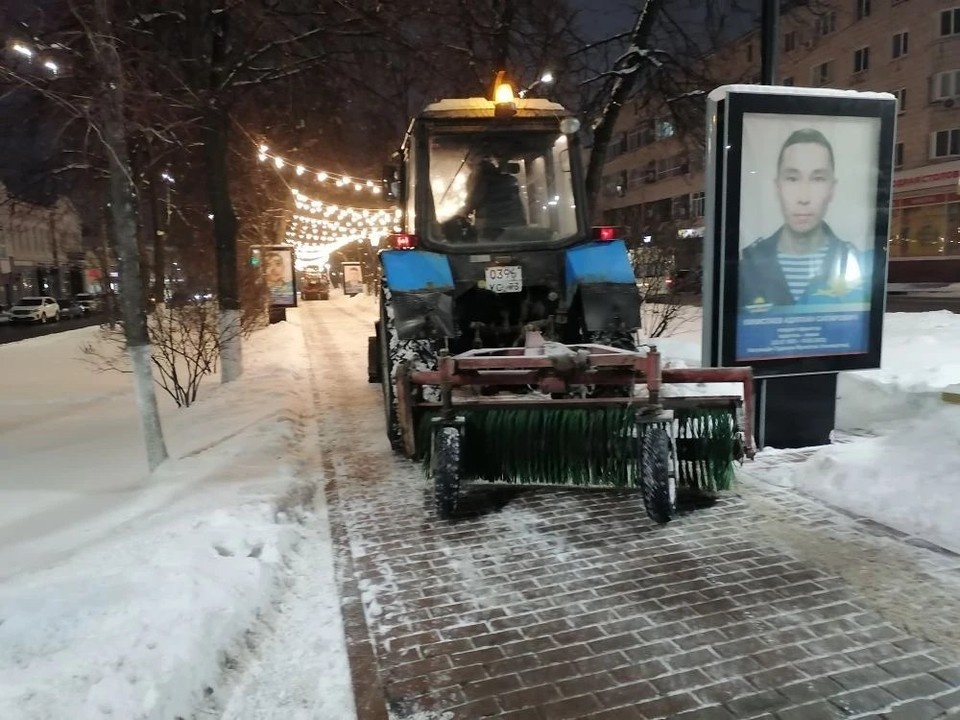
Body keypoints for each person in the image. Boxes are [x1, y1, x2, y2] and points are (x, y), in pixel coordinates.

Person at [739, 128, 868, 308]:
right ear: (777, 187)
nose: (804, 198)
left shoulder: (855, 264)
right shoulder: (747, 267)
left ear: (832, 189)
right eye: (792, 179)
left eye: (818, 179)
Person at [460, 156, 526, 238]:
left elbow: (473, 200)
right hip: (517, 225)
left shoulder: (481, 182)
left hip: (492, 227)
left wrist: (462, 213)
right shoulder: (511, 180)